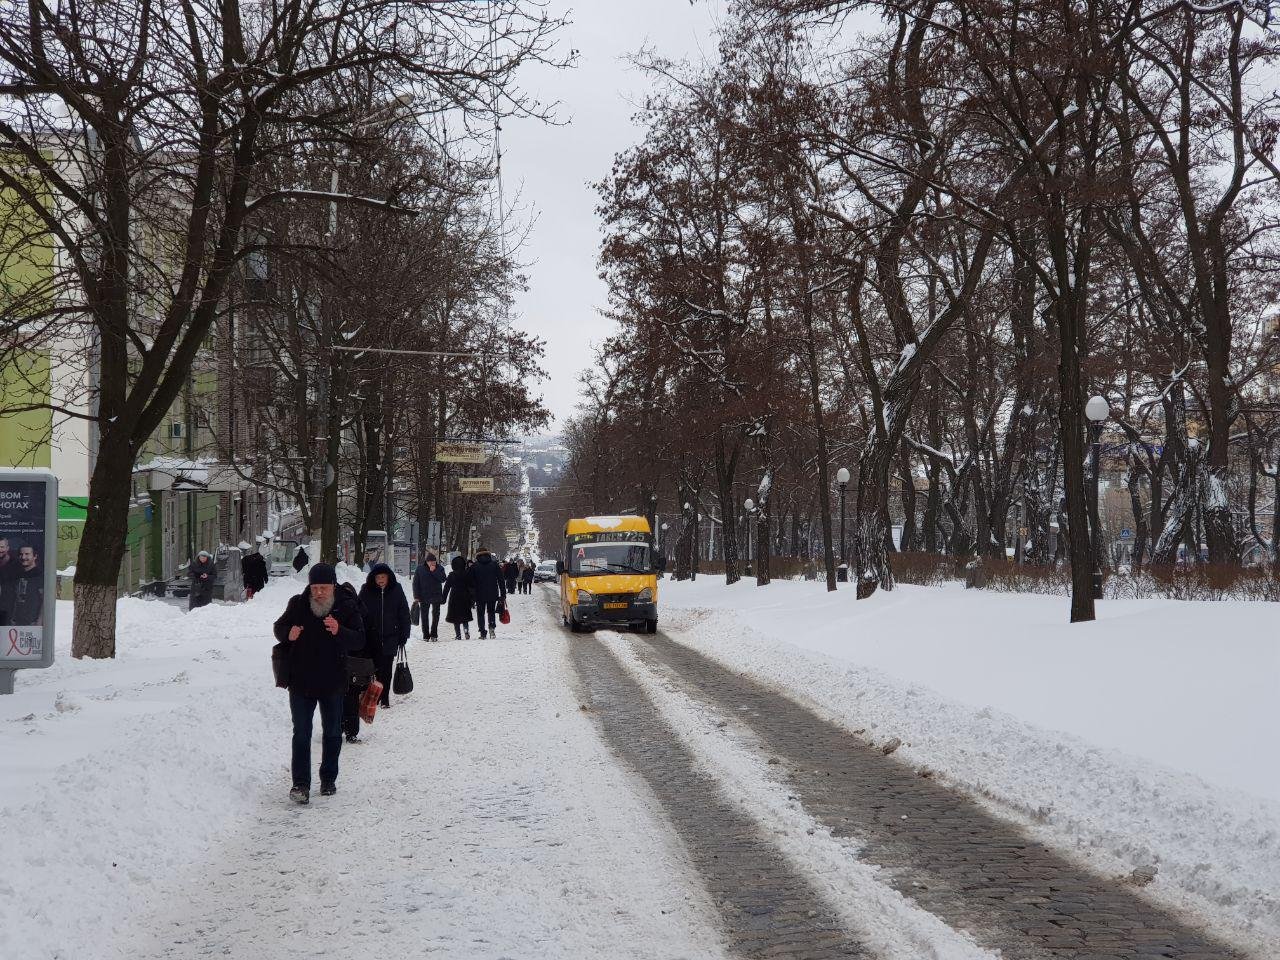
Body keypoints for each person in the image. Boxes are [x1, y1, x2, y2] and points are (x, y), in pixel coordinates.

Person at [272, 563, 364, 803]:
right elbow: (279, 627)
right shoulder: (298, 604)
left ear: (333, 586)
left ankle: (328, 779)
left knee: (333, 732)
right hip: (301, 681)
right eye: (315, 587)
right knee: (301, 732)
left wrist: (339, 630)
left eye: (324, 587)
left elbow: (359, 640)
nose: (319, 592)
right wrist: (287, 633)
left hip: (333, 680)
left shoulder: (345, 606)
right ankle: (300, 785)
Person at [358, 562, 410, 709]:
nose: (380, 579)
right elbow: (358, 612)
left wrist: (404, 634)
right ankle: (374, 695)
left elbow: (404, 613)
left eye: (383, 576)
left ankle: (384, 697)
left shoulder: (396, 590)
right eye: (378, 577)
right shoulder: (366, 590)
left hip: (390, 637)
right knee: (373, 669)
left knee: (386, 670)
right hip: (371, 638)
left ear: (388, 577)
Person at [465, 546, 506, 639]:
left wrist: (471, 594)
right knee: (491, 611)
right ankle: (492, 628)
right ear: (488, 554)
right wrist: (503, 594)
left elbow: (469, 581)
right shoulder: (494, 565)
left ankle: (482, 632)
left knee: (480, 613)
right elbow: (501, 580)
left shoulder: (474, 566)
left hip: (479, 594)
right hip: (492, 593)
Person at [412, 553, 447, 641]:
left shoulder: (440, 568)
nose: (432, 563)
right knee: (424, 616)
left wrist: (434, 571)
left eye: (434, 561)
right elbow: (415, 583)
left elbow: (443, 579)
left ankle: (434, 634)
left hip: (436, 595)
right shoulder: (420, 569)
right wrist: (416, 596)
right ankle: (426, 635)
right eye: (430, 561)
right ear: (426, 562)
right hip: (424, 596)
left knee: (436, 615)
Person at [9, 543, 43, 626]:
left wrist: (39, 621)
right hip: (16, 623)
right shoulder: (17, 574)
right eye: (21, 554)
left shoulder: (40, 575)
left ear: (35, 556)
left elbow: (44, 601)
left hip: (32, 623)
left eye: (27, 554)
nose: (23, 557)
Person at [441, 555, 473, 640]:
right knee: (465, 616)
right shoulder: (467, 574)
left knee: (456, 618)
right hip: (465, 596)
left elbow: (446, 588)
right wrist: (472, 598)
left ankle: (458, 635)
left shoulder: (452, 575)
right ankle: (466, 631)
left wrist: (443, 598)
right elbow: (471, 586)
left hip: (454, 597)